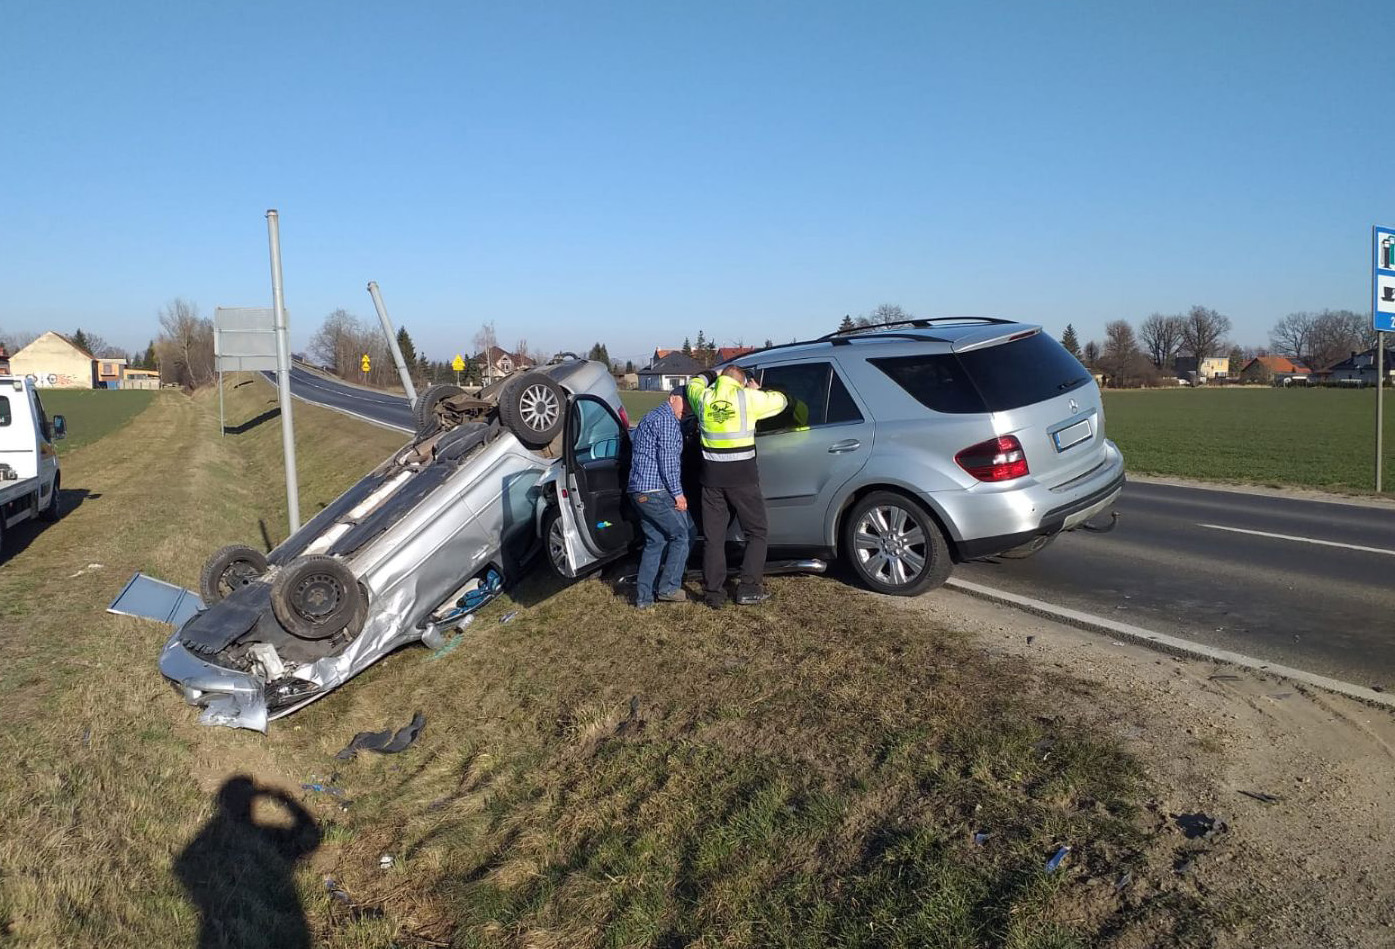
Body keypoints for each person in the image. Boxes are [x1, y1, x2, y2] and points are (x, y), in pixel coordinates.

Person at [687, 365, 788, 608]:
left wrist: (711, 374)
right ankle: (749, 588)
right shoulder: (748, 398)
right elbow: (781, 401)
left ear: (721, 379)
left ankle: (713, 594)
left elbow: (693, 384)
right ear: (742, 382)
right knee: (756, 532)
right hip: (743, 478)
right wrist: (757, 389)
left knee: (714, 538)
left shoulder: (704, 397)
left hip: (712, 479)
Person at [627, 386, 694, 608]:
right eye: (685, 402)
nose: (688, 408)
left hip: (638, 491)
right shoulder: (667, 421)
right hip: (655, 491)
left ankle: (644, 598)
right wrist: (678, 494)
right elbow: (667, 461)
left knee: (655, 541)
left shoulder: (651, 416)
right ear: (672, 398)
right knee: (683, 534)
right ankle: (668, 588)